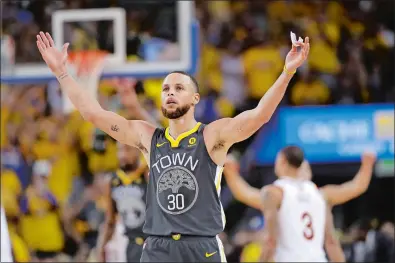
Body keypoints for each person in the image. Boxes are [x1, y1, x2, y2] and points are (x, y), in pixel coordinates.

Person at [36, 31, 310, 262]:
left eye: (179, 88)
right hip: (158, 247)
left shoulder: (212, 136)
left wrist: (287, 72)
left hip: (201, 246)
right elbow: (94, 114)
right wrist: (62, 73)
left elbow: (260, 115)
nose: (170, 93)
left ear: (194, 99)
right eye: (166, 89)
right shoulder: (147, 137)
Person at [96, 144, 148, 262]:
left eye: (128, 149)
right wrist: (101, 248)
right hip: (130, 244)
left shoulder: (148, 174)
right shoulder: (112, 181)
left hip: (152, 243)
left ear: (138, 150)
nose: (123, 155)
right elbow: (110, 221)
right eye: (120, 150)